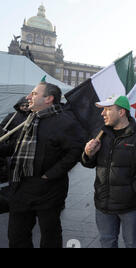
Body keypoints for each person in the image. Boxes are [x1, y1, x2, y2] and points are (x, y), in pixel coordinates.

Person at [0, 82, 85, 248]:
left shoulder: (64, 122)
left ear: (49, 99)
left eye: (34, 94)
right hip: (20, 187)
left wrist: (51, 174)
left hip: (48, 190)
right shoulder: (29, 119)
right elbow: (17, 147)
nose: (28, 97)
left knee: (50, 235)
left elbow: (75, 151)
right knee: (17, 235)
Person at [81, 95, 136, 248]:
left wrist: (134, 188)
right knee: (107, 241)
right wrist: (87, 154)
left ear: (121, 112)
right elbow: (89, 163)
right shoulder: (101, 134)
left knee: (132, 242)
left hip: (129, 205)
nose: (102, 113)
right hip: (103, 204)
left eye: (107, 109)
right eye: (103, 109)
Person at [0, 97, 30, 183]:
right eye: (22, 105)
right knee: (12, 165)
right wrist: (4, 135)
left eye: (27, 105)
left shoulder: (33, 117)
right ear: (18, 106)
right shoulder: (12, 116)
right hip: (13, 145)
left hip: (27, 145)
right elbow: (2, 128)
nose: (25, 107)